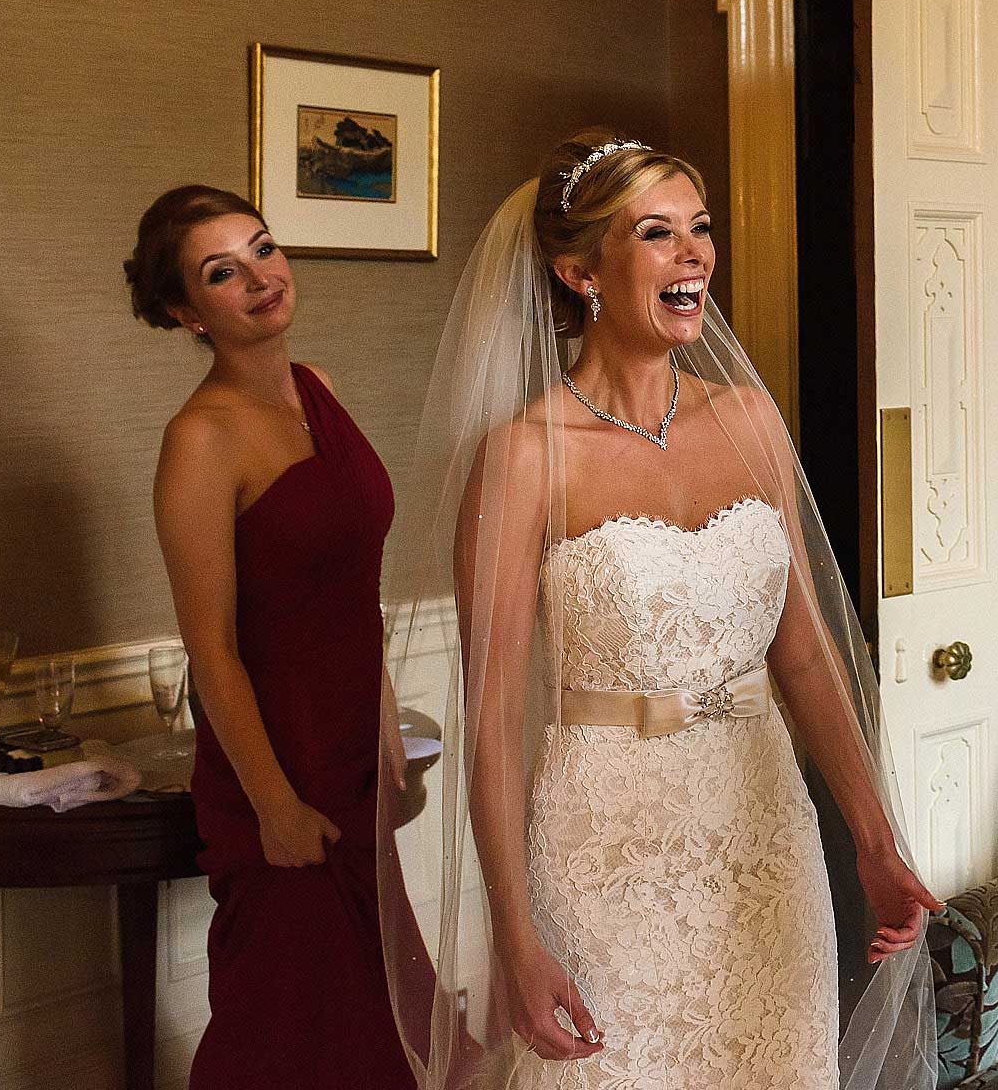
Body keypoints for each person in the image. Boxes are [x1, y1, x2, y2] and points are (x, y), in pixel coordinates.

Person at [381, 134, 940, 1089]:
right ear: (580, 271)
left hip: (765, 834)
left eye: (700, 229)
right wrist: (514, 934)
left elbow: (802, 655)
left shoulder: (751, 420)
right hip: (606, 849)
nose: (694, 255)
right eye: (656, 233)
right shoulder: (523, 458)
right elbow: (496, 717)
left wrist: (876, 842)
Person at [126, 186, 416, 1087]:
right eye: (223, 271)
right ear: (186, 312)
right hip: (276, 771)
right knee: (288, 1029)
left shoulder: (319, 388)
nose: (260, 277)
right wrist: (274, 805)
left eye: (263, 248)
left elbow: (351, 592)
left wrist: (387, 726)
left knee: (378, 1020)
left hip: (355, 755)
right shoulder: (199, 440)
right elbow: (209, 647)